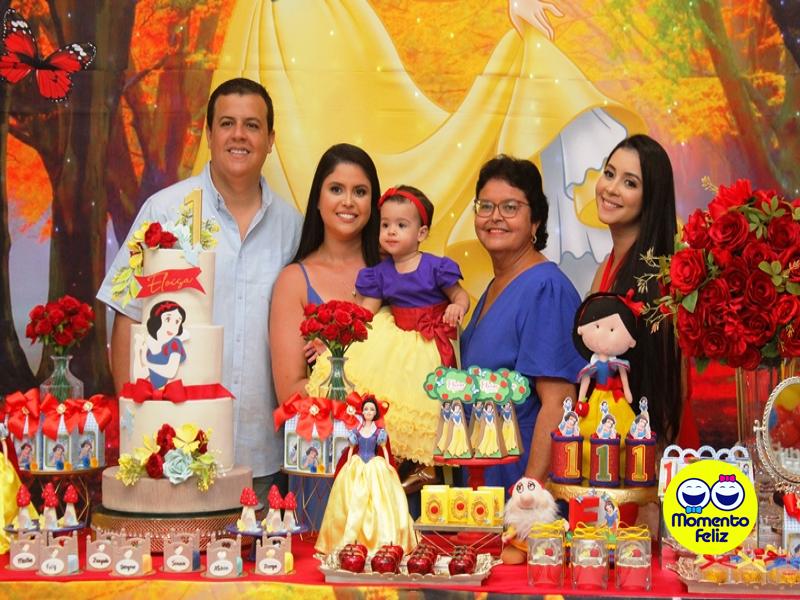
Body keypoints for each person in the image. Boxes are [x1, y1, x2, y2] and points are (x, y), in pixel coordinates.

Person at [97, 78, 303, 497]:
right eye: (227, 123)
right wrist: (137, 427)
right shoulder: (164, 211)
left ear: (270, 140)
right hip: (174, 455)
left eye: (252, 125)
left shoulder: (293, 228)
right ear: (209, 134)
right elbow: (128, 314)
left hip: (266, 458)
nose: (239, 135)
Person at [460, 155, 584, 489]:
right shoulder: (496, 285)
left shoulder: (546, 288)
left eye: (510, 207)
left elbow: (559, 403)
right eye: (485, 206)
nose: (495, 217)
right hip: (483, 480)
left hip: (522, 484)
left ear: (535, 223)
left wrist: (529, 493)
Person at [355, 185, 469, 470]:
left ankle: (428, 465)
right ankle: (395, 456)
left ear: (421, 233)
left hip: (429, 343)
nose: (391, 232)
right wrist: (340, 335)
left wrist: (457, 307)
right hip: (398, 341)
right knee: (393, 396)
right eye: (385, 225)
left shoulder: (435, 267)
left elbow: (459, 295)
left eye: (401, 225)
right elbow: (366, 313)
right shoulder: (380, 273)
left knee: (425, 401)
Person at [588, 134, 688, 446]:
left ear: (651, 197)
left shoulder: (661, 279)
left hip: (648, 451)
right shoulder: (605, 268)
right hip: (607, 441)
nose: (611, 188)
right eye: (609, 174)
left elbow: (672, 387)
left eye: (629, 182)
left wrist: (656, 462)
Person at [315, 396, 417, 554]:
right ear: (362, 412)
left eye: (371, 409)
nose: (368, 412)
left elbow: (383, 449)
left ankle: (381, 541)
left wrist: (388, 464)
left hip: (375, 465)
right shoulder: (357, 431)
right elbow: (351, 448)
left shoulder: (379, 432)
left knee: (380, 501)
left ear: (375, 413)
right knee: (351, 499)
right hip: (357, 464)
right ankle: (348, 539)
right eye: (366, 409)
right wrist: (348, 463)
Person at [574, 292, 639, 473]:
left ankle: (620, 467)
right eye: (596, 326)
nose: (604, 335)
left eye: (612, 330)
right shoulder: (593, 364)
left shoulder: (618, 364)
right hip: (597, 396)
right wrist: (580, 400)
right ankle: (591, 467)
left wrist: (627, 393)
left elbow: (623, 378)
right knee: (591, 427)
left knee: (622, 427)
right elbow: (586, 380)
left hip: (615, 397)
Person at [135, 301, 187, 388]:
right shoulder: (150, 347)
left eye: (177, 321)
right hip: (150, 395)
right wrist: (137, 351)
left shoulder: (174, 344)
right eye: (168, 319)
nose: (172, 326)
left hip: (170, 392)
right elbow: (139, 377)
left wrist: (147, 362)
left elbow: (170, 372)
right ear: (157, 320)